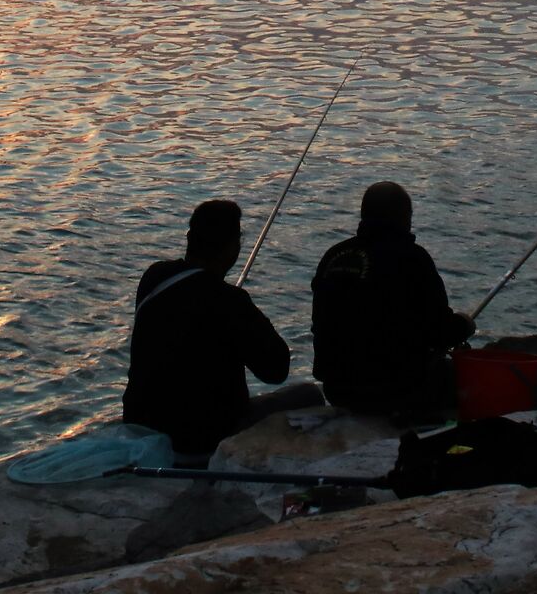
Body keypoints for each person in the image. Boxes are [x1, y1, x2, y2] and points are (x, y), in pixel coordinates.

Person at [123, 198, 291, 462]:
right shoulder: (230, 301)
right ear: (233, 247)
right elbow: (276, 370)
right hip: (203, 438)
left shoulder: (154, 277)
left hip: (142, 424)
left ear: (190, 237)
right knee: (308, 394)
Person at [310, 181, 475, 417]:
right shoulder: (413, 259)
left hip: (338, 389)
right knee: (461, 379)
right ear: (404, 217)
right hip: (396, 390)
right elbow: (439, 330)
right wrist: (465, 324)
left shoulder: (334, 256)